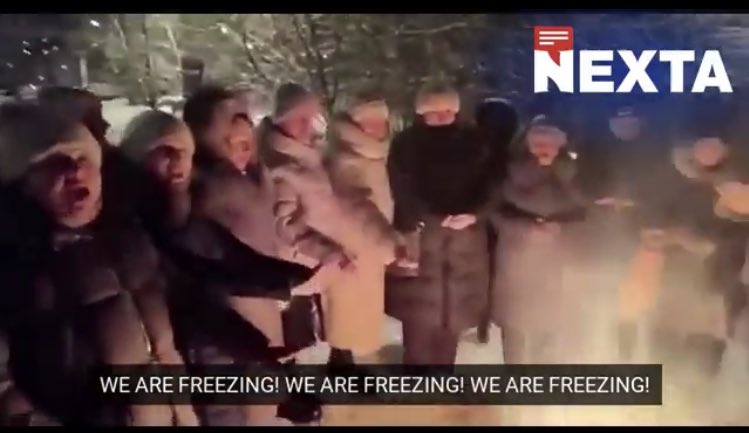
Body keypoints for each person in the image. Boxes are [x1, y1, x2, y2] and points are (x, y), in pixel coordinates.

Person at [0, 105, 197, 426]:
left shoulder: (129, 237)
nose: (75, 170)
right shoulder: (15, 264)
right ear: (22, 182)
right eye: (53, 162)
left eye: (83, 158)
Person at [119, 109, 318, 426]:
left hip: (219, 348)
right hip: (183, 358)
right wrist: (288, 286)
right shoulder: (135, 223)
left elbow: (233, 257)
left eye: (183, 151)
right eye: (163, 150)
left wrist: (299, 279)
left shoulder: (185, 210)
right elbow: (196, 287)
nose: (177, 160)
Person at [257, 83, 399, 367]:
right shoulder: (284, 165)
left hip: (334, 250)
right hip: (312, 257)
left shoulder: (305, 154)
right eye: (298, 119)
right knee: (295, 334)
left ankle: (340, 363)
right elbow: (287, 225)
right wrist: (328, 250)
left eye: (309, 118)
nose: (306, 126)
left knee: (318, 326)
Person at [385, 84, 491, 365]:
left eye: (447, 110)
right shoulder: (406, 144)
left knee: (453, 314)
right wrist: (431, 215)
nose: (441, 116)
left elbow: (492, 185)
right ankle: (416, 369)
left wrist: (475, 213)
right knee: (419, 315)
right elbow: (401, 187)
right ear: (422, 113)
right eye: (434, 111)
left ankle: (444, 368)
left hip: (465, 241)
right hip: (421, 236)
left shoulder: (475, 142)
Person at [489, 112, 586, 364]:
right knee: (515, 319)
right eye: (538, 142)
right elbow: (493, 210)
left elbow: (585, 211)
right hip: (516, 256)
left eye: (550, 143)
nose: (544, 149)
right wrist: (525, 227)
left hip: (557, 257)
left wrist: (561, 228)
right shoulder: (509, 169)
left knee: (550, 318)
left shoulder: (574, 172)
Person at [325, 91, 401, 365]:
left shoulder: (372, 153)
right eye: (370, 122)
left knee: (358, 313)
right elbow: (355, 208)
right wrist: (386, 240)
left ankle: (345, 362)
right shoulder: (347, 159)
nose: (378, 128)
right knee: (347, 312)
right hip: (353, 248)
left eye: (381, 121)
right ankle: (342, 365)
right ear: (355, 125)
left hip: (370, 247)